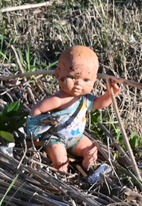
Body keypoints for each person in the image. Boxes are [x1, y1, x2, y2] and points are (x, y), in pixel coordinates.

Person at [25, 45, 118, 182]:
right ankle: (63, 179)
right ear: (58, 74)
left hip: (76, 138)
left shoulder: (85, 99)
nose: (78, 84)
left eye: (86, 80)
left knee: (91, 150)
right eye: (72, 77)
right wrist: (34, 132)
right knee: (61, 160)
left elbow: (99, 103)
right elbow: (37, 110)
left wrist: (111, 93)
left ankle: (89, 171)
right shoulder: (58, 99)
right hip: (56, 137)